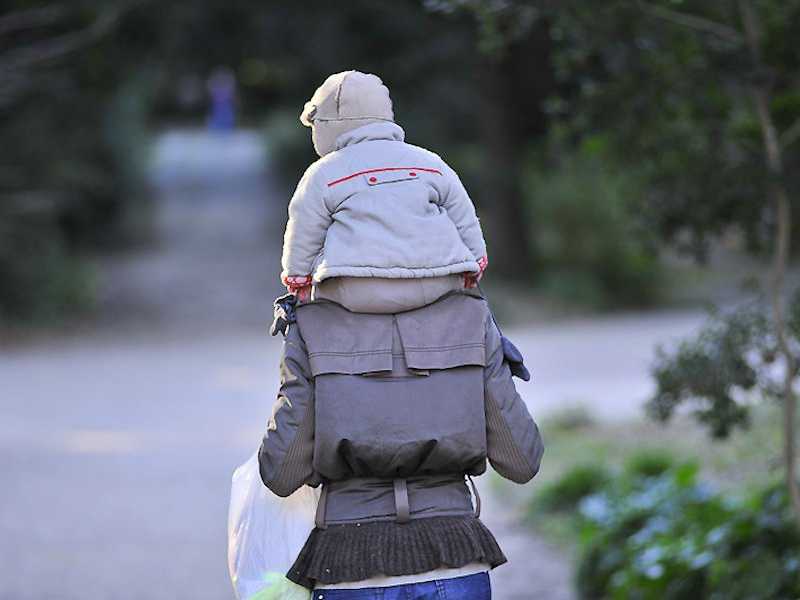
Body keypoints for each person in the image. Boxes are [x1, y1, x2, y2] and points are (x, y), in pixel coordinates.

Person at [258, 291, 543, 599]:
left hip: (349, 566)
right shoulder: (471, 315)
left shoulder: (311, 322)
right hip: (455, 560)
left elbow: (281, 473)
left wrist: (295, 376)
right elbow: (521, 461)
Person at [280, 70, 488, 313]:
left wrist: (298, 280)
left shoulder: (323, 173)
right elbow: (464, 219)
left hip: (355, 288)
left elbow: (304, 233)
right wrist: (475, 264)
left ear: (326, 125)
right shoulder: (430, 162)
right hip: (439, 282)